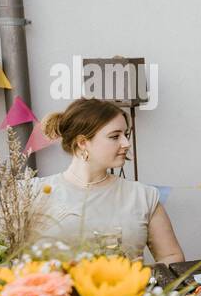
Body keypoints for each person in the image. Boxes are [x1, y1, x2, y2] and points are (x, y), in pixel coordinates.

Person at [34, 98, 184, 263]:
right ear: (83, 142)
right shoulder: (33, 193)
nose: (126, 143)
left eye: (125, 135)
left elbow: (171, 257)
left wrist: (140, 276)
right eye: (114, 136)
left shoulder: (144, 196)